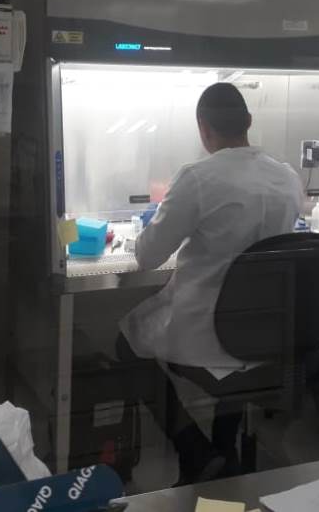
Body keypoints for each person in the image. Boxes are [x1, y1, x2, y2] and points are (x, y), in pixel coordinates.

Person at [116, 82, 304, 484]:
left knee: (125, 343)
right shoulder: (288, 177)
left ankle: (194, 450)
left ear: (203, 129)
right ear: (249, 122)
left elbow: (148, 256)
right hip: (266, 332)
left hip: (206, 331)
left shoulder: (199, 177)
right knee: (235, 354)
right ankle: (223, 451)